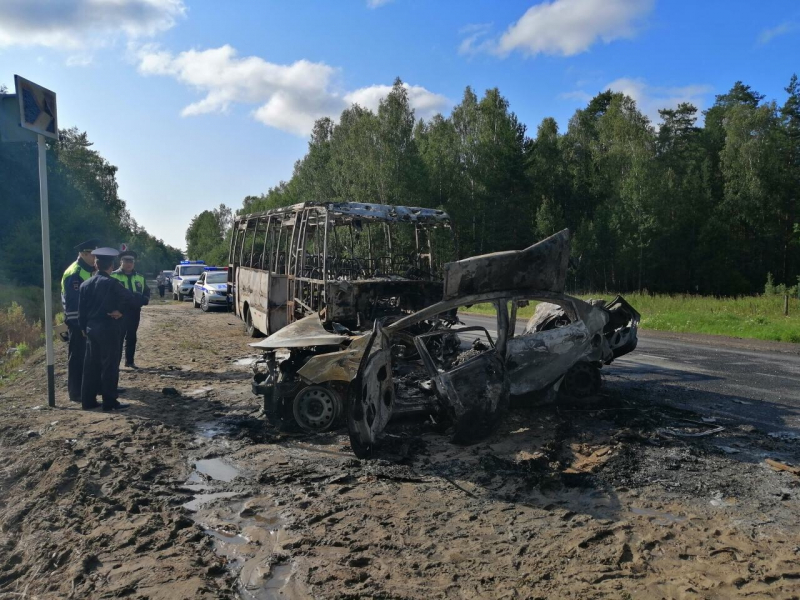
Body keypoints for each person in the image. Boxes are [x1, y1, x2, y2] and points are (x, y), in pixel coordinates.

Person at [79, 247, 137, 411]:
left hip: (91, 329)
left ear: (96, 265)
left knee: (90, 366)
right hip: (109, 329)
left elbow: (81, 310)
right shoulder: (112, 284)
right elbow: (131, 299)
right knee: (109, 366)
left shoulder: (85, 284)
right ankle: (109, 402)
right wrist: (121, 311)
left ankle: (88, 401)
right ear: (111, 266)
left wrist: (84, 328)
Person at [60, 239, 99, 402]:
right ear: (84, 254)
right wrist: (80, 327)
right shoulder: (75, 273)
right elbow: (74, 305)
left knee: (89, 358)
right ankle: (76, 393)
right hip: (78, 324)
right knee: (77, 358)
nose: (96, 258)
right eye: (93, 255)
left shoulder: (89, 270)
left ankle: (89, 388)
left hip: (88, 322)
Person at [111, 250, 150, 369]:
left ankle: (130, 361)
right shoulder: (113, 276)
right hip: (119, 313)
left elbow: (146, 292)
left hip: (134, 312)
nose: (129, 264)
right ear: (120, 261)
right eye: (126, 261)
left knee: (132, 337)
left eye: (131, 261)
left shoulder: (140, 277)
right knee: (118, 338)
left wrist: (142, 300)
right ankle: (115, 363)